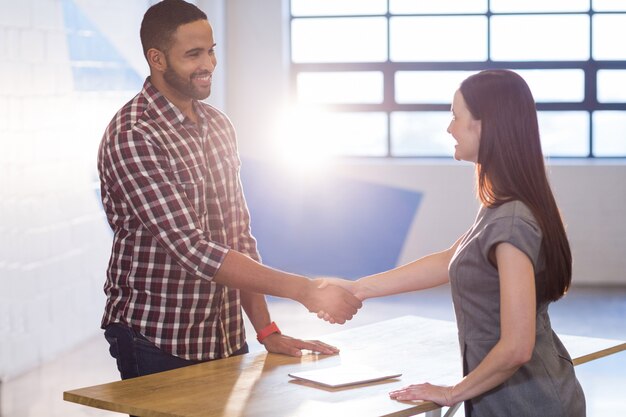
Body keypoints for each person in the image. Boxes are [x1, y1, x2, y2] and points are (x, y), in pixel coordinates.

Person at [97, 0, 361, 381]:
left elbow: (237, 236)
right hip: (155, 338)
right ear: (157, 58)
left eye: (211, 50)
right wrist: (304, 290)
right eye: (193, 54)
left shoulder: (218, 126)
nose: (208, 64)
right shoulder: (134, 135)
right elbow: (194, 249)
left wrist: (267, 330)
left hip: (222, 334)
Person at [318, 69, 586, 416]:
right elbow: (451, 259)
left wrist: (452, 392)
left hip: (532, 405)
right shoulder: (500, 208)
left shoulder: (512, 220)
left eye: (455, 117)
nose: (449, 128)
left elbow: (518, 347)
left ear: (484, 125)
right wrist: (358, 289)